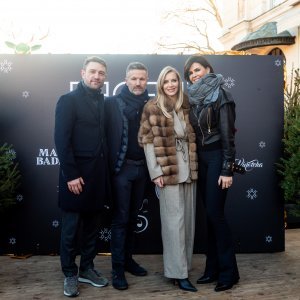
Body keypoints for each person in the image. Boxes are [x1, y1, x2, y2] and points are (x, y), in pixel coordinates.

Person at [138, 66, 198, 292]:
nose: (171, 84)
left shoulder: (185, 105)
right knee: (174, 225)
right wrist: (156, 172)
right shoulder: (152, 107)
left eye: (174, 80)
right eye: (167, 81)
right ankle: (177, 273)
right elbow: (147, 142)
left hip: (189, 171)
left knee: (188, 224)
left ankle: (184, 267)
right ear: (160, 84)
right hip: (168, 171)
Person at [184, 55, 240, 292]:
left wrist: (227, 168)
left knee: (216, 215)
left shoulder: (222, 95)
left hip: (218, 157)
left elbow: (228, 135)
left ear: (208, 69)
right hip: (202, 160)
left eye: (197, 70)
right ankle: (212, 269)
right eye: (190, 73)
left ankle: (229, 272)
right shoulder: (193, 98)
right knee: (209, 216)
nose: (194, 75)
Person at [54, 56, 110, 297]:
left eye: (101, 73)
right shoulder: (68, 101)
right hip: (75, 177)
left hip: (98, 176)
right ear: (83, 73)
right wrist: (71, 175)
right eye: (93, 72)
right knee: (70, 230)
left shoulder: (104, 103)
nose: (97, 76)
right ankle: (69, 273)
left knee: (92, 228)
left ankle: (87, 268)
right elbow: (61, 140)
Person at [104, 62, 150, 290]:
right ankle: (117, 269)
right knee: (121, 220)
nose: (138, 83)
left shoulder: (152, 105)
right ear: (126, 79)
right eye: (133, 78)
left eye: (142, 79)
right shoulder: (112, 104)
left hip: (143, 169)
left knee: (133, 218)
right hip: (122, 170)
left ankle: (129, 260)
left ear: (147, 80)